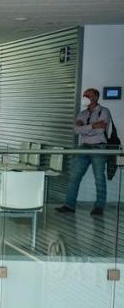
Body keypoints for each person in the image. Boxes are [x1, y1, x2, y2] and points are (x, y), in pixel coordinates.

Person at [57, 88, 112, 216]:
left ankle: (99, 207)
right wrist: (93, 126)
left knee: (99, 178)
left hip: (99, 147)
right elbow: (76, 130)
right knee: (74, 176)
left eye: (88, 95)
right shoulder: (82, 113)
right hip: (84, 146)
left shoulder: (104, 111)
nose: (85, 97)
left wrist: (84, 128)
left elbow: (100, 131)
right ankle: (69, 205)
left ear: (95, 97)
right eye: (84, 95)